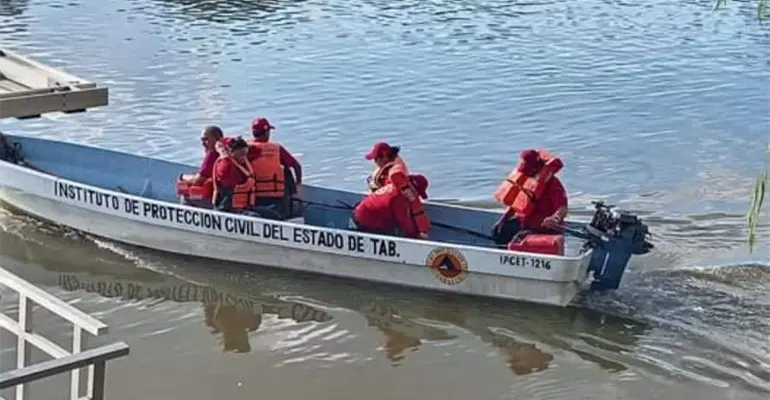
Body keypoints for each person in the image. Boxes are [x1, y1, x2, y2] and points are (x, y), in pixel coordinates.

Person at [491, 149, 568, 245]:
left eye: (529, 171)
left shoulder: (553, 184)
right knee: (499, 230)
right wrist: (503, 219)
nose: (527, 174)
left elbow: (562, 207)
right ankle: (501, 252)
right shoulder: (525, 179)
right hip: (527, 223)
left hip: (544, 228)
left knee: (518, 239)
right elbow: (517, 202)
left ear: (536, 169)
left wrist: (555, 218)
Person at [246, 117, 303, 218]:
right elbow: (296, 166)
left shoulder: (245, 149)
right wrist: (298, 183)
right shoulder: (276, 149)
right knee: (287, 171)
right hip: (275, 198)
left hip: (253, 198)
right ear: (266, 132)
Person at [351, 172, 431, 239]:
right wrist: (417, 235)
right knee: (398, 232)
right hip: (364, 223)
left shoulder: (395, 185)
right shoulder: (400, 198)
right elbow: (405, 224)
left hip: (357, 213)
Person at [176, 126, 224, 207]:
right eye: (202, 140)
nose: (203, 143)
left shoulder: (212, 154)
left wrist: (183, 177)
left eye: (206, 139)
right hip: (226, 197)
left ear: (217, 139)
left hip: (215, 200)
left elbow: (197, 180)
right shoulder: (229, 152)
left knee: (185, 196)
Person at [212, 137, 257, 212]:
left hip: (244, 209)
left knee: (273, 214)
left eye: (245, 154)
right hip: (228, 210)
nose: (244, 157)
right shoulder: (225, 166)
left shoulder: (241, 165)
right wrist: (223, 152)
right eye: (241, 154)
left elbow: (257, 151)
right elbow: (226, 174)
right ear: (230, 152)